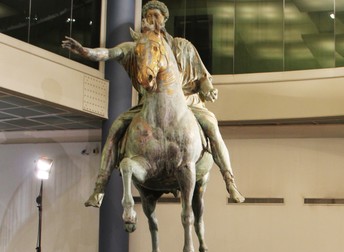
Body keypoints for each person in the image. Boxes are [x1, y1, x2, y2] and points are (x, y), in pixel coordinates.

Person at [62, 0, 244, 207]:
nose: (151, 18)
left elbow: (202, 77)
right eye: (147, 15)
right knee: (115, 129)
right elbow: (110, 53)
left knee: (211, 126)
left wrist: (208, 89)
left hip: (186, 104)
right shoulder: (137, 47)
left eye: (156, 15)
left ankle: (230, 181)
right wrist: (86, 52)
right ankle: (99, 187)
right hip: (148, 105)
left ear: (164, 19)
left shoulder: (182, 46)